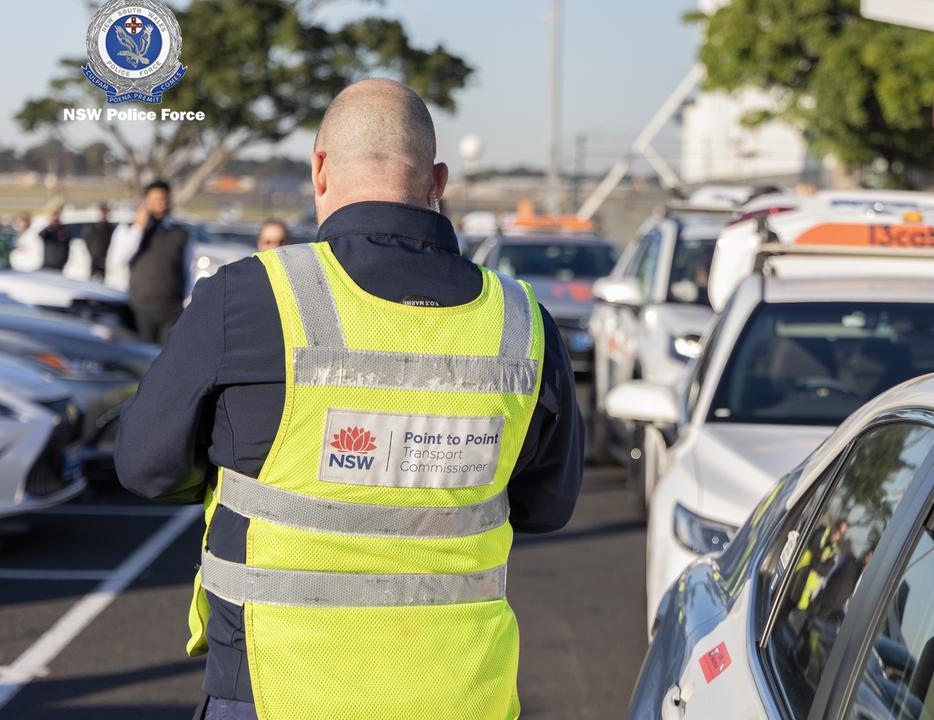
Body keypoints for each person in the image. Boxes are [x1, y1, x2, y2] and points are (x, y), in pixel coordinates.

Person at [115, 79, 584, 720]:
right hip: (462, 693)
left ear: (320, 169)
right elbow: (546, 506)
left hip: (276, 689)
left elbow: (145, 466)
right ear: (437, 180)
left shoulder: (249, 297)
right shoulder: (522, 322)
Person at [106, 181, 193, 344]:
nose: (159, 204)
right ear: (145, 202)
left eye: (163, 199)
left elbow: (188, 269)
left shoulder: (180, 233)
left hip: (172, 308)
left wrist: (187, 302)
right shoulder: (128, 230)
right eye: (154, 200)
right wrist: (138, 229)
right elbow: (117, 261)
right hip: (139, 307)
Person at [83, 203, 115, 281]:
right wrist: (93, 252)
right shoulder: (93, 227)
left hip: (105, 256)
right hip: (94, 256)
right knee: (91, 278)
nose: (105, 215)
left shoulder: (109, 228)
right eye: (103, 213)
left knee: (103, 279)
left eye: (106, 213)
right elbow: (88, 240)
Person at [38, 206, 71, 272]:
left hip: (60, 262)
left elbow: (67, 240)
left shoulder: (63, 229)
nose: (55, 217)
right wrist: (51, 224)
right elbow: (41, 235)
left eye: (57, 215)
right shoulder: (49, 229)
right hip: (48, 262)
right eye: (54, 215)